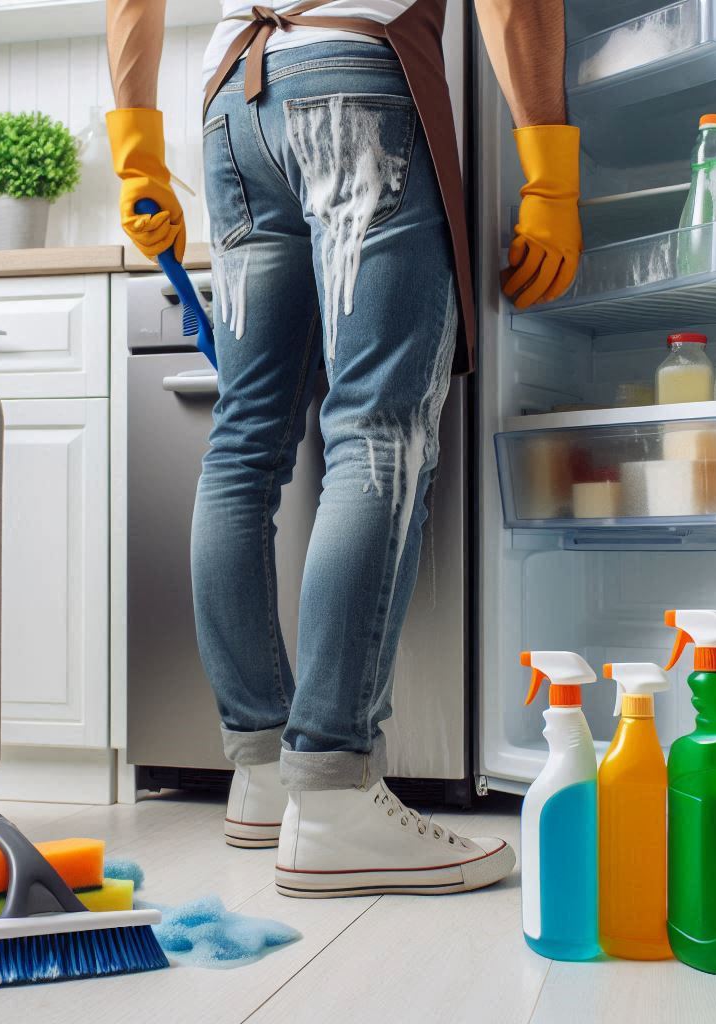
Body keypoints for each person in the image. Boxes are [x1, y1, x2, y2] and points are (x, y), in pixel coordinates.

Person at [106, 0, 580, 898]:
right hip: (352, 89)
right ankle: (333, 796)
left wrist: (137, 148)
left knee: (244, 443)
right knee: (378, 434)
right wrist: (551, 173)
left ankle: (262, 774)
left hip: (233, 112)